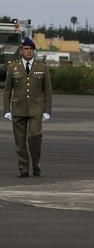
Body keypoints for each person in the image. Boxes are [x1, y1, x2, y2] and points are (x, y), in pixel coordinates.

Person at [3, 37, 52, 177]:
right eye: (25, 49)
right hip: (18, 109)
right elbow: (7, 90)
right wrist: (6, 110)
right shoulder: (13, 67)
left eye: (30, 49)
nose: (28, 51)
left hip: (36, 109)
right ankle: (23, 168)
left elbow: (47, 91)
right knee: (20, 141)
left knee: (35, 136)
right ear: (21, 51)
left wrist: (47, 111)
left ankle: (36, 164)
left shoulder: (42, 67)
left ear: (33, 51)